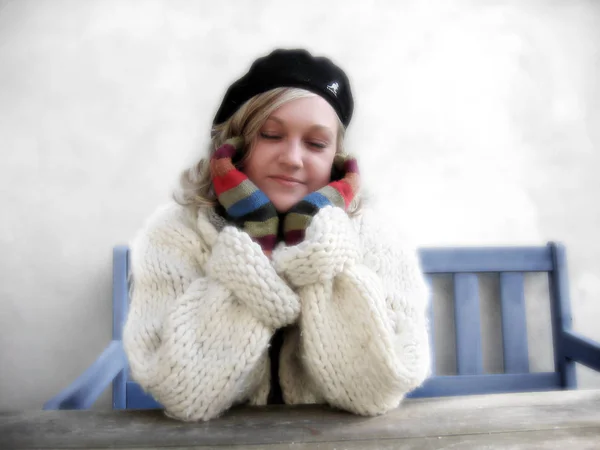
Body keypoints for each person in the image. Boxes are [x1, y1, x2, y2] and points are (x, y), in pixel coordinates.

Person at [123, 48, 431, 422]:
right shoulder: (174, 234)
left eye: (316, 144)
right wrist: (254, 242)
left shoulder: (376, 237)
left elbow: (376, 391)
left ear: (337, 159)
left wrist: (321, 254)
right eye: (271, 135)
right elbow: (184, 394)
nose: (293, 158)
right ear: (233, 145)